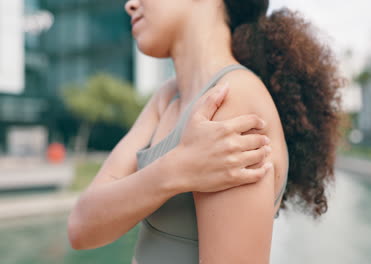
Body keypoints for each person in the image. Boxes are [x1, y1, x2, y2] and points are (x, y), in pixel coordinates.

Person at [67, 0, 343, 263]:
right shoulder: (167, 97)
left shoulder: (234, 100)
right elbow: (81, 227)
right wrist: (176, 169)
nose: (130, 4)